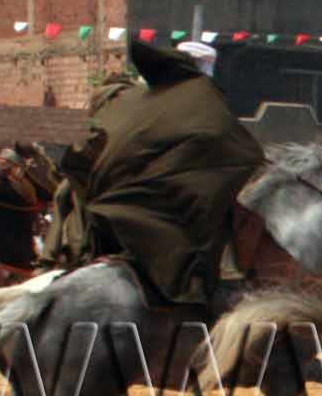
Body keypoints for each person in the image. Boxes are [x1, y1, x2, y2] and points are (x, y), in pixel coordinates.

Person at [50, 39, 267, 309]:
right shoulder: (199, 100)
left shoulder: (141, 97)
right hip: (146, 195)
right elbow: (231, 149)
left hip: (103, 187)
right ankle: (206, 286)